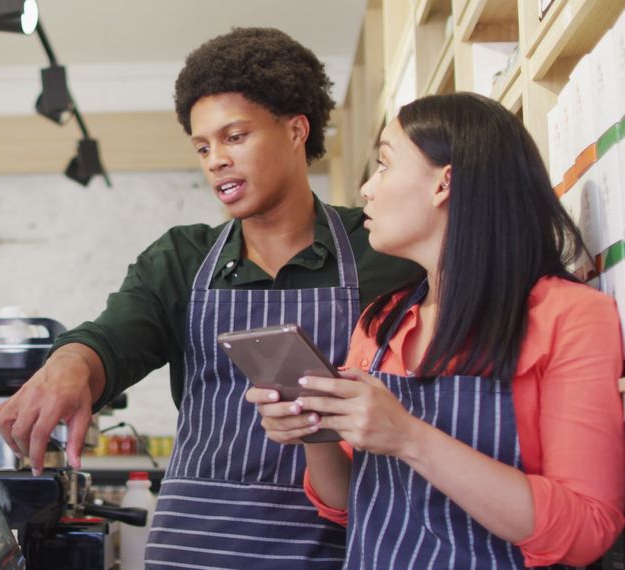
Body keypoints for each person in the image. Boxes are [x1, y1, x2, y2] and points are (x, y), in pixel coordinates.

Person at [0, 27, 419, 567]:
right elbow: (111, 338)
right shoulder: (181, 260)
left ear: (297, 129)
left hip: (335, 544)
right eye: (203, 146)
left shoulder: (381, 253)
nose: (215, 161)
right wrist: (69, 364)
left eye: (235, 137)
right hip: (193, 547)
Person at [249, 92, 625, 568]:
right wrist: (313, 432)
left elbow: (587, 530)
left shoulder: (569, 316)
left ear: (444, 184)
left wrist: (408, 436)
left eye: (384, 165)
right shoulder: (382, 324)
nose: (366, 188)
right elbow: (347, 505)